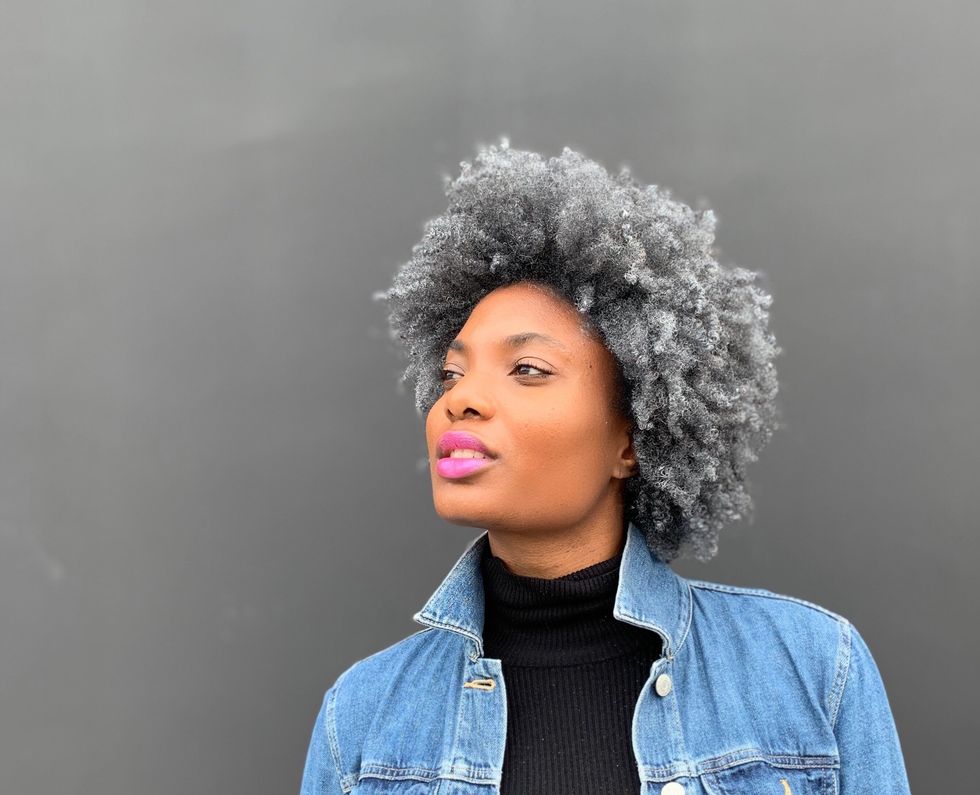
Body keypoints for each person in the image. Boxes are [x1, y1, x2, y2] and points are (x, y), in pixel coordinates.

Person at [300, 140, 911, 794]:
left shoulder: (812, 670)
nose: (460, 399)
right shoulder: (360, 717)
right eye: (452, 373)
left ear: (632, 437)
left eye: (527, 368)